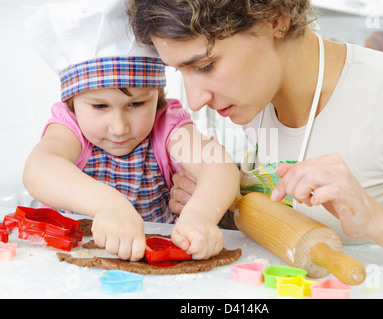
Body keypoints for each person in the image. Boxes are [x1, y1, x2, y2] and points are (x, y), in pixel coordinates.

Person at [127, 0, 383, 294]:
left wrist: (376, 220)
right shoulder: (255, 103)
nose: (195, 101)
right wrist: (220, 205)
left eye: (206, 66)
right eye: (180, 71)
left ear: (275, 18)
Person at [22, 0, 239, 262]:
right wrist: (108, 205)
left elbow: (219, 165)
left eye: (136, 104)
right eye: (100, 106)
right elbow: (39, 169)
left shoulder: (165, 126)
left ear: (157, 96)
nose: (119, 127)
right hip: (69, 265)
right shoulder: (70, 128)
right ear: (73, 104)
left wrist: (200, 216)